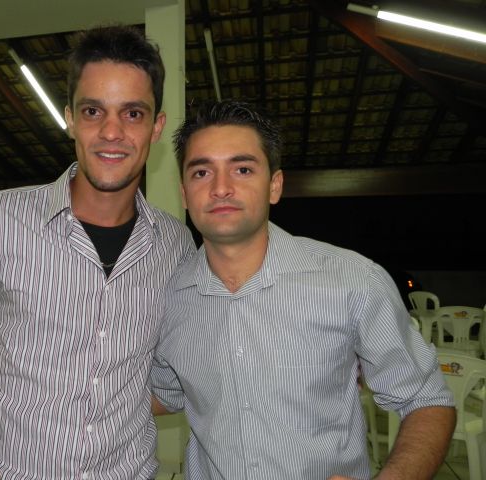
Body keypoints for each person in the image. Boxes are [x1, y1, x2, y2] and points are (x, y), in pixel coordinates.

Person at [0, 24, 195, 480]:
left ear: (156, 126)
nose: (112, 132)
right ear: (70, 119)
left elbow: (178, 366)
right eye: (93, 111)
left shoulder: (175, 245)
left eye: (133, 113)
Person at [151, 100, 456, 479]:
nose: (221, 188)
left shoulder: (352, 281)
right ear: (184, 194)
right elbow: (165, 392)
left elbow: (426, 400)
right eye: (201, 172)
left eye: (243, 169)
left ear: (274, 186)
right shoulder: (170, 297)